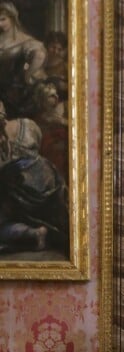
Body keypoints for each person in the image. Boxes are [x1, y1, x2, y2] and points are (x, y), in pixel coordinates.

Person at [0, 100, 69, 255]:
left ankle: (33, 233)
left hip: (26, 196)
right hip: (49, 182)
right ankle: (36, 232)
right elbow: (38, 146)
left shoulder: (24, 128)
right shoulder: (27, 125)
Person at [0, 1, 47, 118]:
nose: (0, 24)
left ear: (12, 18)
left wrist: (27, 75)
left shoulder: (25, 41)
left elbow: (39, 56)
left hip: (13, 93)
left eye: (3, 19)